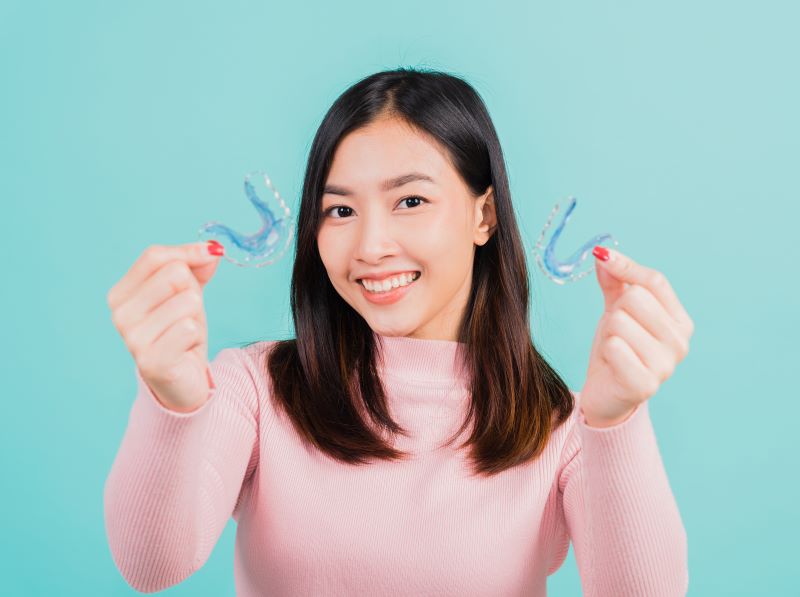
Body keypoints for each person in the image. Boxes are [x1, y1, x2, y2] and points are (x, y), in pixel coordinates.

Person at [104, 67, 693, 596]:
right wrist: (171, 403)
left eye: (410, 200)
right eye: (340, 211)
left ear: (483, 215)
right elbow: (153, 567)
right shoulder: (254, 389)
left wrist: (616, 421)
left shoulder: (560, 427)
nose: (371, 247)